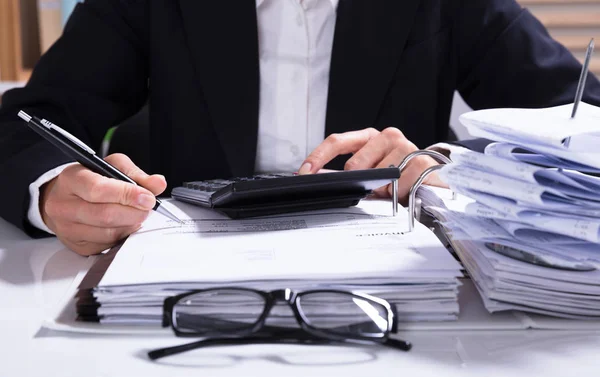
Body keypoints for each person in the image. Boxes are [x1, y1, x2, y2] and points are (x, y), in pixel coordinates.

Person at [0, 0, 599, 256]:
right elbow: (28, 123)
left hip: (402, 290)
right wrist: (53, 191)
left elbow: (583, 118)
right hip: (182, 284)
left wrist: (446, 160)